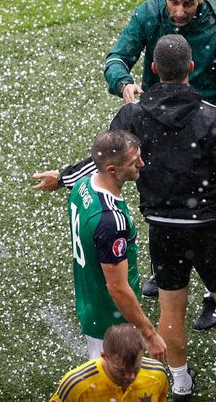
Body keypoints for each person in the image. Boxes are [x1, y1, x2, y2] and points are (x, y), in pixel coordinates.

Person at [37, 35, 216, 402]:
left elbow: (104, 158)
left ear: (154, 69)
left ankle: (179, 382)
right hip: (209, 227)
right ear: (191, 69)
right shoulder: (212, 116)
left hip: (162, 229)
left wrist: (64, 177)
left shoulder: (133, 114)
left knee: (171, 306)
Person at [104, 0, 216, 328]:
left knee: (205, 208)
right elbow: (116, 59)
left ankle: (212, 295)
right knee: (161, 197)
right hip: (156, 127)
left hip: (201, 133)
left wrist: (212, 118)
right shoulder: (148, 14)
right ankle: (170, 271)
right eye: (174, 2)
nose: (180, 11)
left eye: (187, 4)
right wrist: (123, 84)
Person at [57, 129, 166, 361]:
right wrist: (149, 333)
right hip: (111, 319)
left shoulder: (83, 185)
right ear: (112, 169)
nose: (142, 164)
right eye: (134, 162)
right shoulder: (111, 221)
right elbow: (117, 287)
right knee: (116, 381)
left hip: (91, 302)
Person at [50, 324, 169, 402]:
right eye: (122, 371)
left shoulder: (157, 375)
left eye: (136, 369)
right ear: (104, 356)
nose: (130, 376)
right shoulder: (76, 384)